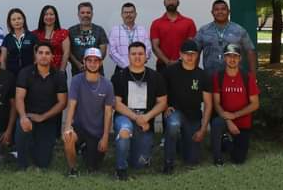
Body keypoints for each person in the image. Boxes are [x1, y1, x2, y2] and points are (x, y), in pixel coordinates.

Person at [111, 41, 167, 181]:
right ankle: (120, 170)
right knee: (125, 128)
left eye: (140, 54)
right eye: (133, 54)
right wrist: (136, 117)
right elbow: (116, 103)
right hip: (125, 118)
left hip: (145, 123)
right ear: (128, 56)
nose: (137, 57)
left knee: (139, 164)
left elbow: (162, 102)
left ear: (146, 56)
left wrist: (147, 117)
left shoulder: (156, 77)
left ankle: (129, 150)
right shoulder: (119, 76)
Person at [15, 42, 68, 170]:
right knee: (23, 127)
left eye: (47, 53)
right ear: (36, 55)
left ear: (52, 57)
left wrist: (42, 117)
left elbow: (62, 103)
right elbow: (19, 97)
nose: (44, 56)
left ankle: (34, 151)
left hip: (48, 120)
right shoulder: (25, 72)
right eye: (40, 53)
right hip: (28, 116)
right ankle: (22, 162)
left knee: (43, 163)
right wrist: (23, 117)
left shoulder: (59, 76)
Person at [161, 40, 212, 174]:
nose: (190, 57)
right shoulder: (170, 71)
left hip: (193, 116)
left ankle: (181, 143)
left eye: (193, 54)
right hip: (175, 112)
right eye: (186, 53)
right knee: (173, 125)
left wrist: (203, 129)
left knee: (192, 160)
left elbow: (208, 104)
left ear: (197, 55)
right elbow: (160, 93)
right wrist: (165, 107)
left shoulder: (203, 75)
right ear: (180, 54)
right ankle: (168, 162)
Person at [63, 48, 114, 176]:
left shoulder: (107, 85)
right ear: (84, 62)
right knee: (69, 137)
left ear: (100, 63)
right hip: (80, 128)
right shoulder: (76, 80)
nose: (92, 63)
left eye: (96, 60)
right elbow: (71, 105)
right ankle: (73, 169)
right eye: (89, 60)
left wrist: (105, 137)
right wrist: (67, 127)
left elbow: (108, 113)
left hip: (96, 132)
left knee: (93, 167)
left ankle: (84, 149)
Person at [211, 43, 260, 166]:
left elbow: (255, 104)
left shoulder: (247, 77)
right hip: (225, 119)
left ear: (240, 58)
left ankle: (224, 140)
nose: (232, 59)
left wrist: (235, 115)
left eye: (235, 56)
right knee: (216, 123)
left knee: (238, 159)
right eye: (229, 56)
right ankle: (217, 158)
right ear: (224, 57)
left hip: (243, 122)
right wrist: (228, 120)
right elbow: (216, 103)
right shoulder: (218, 77)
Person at [196, 0, 257, 76]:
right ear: (212, 12)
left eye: (223, 9)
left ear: (229, 11)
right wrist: (194, 74)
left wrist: (253, 75)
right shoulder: (203, 30)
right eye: (216, 9)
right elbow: (195, 52)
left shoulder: (239, 30)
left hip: (234, 77)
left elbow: (250, 51)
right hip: (210, 76)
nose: (220, 12)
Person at [150, 0, 197, 74]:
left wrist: (180, 60)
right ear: (164, 3)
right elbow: (155, 46)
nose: (171, 2)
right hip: (163, 66)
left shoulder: (189, 22)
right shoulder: (156, 23)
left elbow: (191, 45)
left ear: (178, 2)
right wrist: (167, 62)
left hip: (185, 64)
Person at [108, 2, 152, 75]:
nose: (128, 14)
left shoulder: (142, 30)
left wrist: (138, 63)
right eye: (126, 12)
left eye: (131, 12)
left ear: (135, 14)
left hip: (140, 68)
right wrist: (127, 66)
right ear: (122, 15)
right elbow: (112, 52)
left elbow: (148, 49)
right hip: (121, 69)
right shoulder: (114, 30)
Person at [67, 2, 108, 75]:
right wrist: (78, 64)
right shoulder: (71, 31)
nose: (85, 15)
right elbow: (68, 51)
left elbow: (103, 52)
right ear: (78, 14)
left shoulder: (99, 30)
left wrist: (93, 64)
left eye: (88, 12)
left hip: (96, 71)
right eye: (82, 13)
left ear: (92, 14)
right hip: (78, 71)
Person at [31, 5, 70, 73]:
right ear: (42, 17)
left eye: (51, 14)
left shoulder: (63, 33)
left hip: (58, 70)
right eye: (46, 14)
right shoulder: (35, 34)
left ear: (55, 16)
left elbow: (66, 53)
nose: (49, 17)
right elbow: (34, 53)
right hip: (39, 71)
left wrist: (62, 70)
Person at [1, 8, 38, 77]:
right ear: (10, 22)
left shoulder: (32, 36)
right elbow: (3, 59)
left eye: (19, 18)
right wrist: (4, 75)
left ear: (23, 19)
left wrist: (34, 72)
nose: (17, 21)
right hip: (11, 75)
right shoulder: (7, 38)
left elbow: (36, 58)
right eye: (13, 19)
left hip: (29, 74)